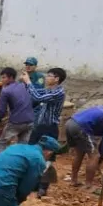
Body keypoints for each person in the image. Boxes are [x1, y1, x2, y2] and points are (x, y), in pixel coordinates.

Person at [26, 67, 67, 197]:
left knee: (47, 156)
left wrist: (28, 82)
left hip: (49, 127)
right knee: (33, 153)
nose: (47, 77)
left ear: (57, 79)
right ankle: (33, 183)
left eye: (49, 75)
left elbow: (38, 97)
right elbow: (36, 93)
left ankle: (43, 187)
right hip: (39, 126)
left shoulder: (58, 92)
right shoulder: (49, 90)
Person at [0, 67, 34, 152]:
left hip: (16, 122)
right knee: (22, 145)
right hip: (30, 121)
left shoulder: (5, 91)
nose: (2, 80)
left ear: (11, 78)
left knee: (2, 143)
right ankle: (19, 164)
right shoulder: (23, 85)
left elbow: (1, 111)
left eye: (4, 77)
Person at [64, 104, 103, 188]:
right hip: (82, 127)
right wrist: (100, 158)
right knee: (94, 156)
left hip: (70, 122)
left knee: (79, 153)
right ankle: (88, 185)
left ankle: (73, 180)